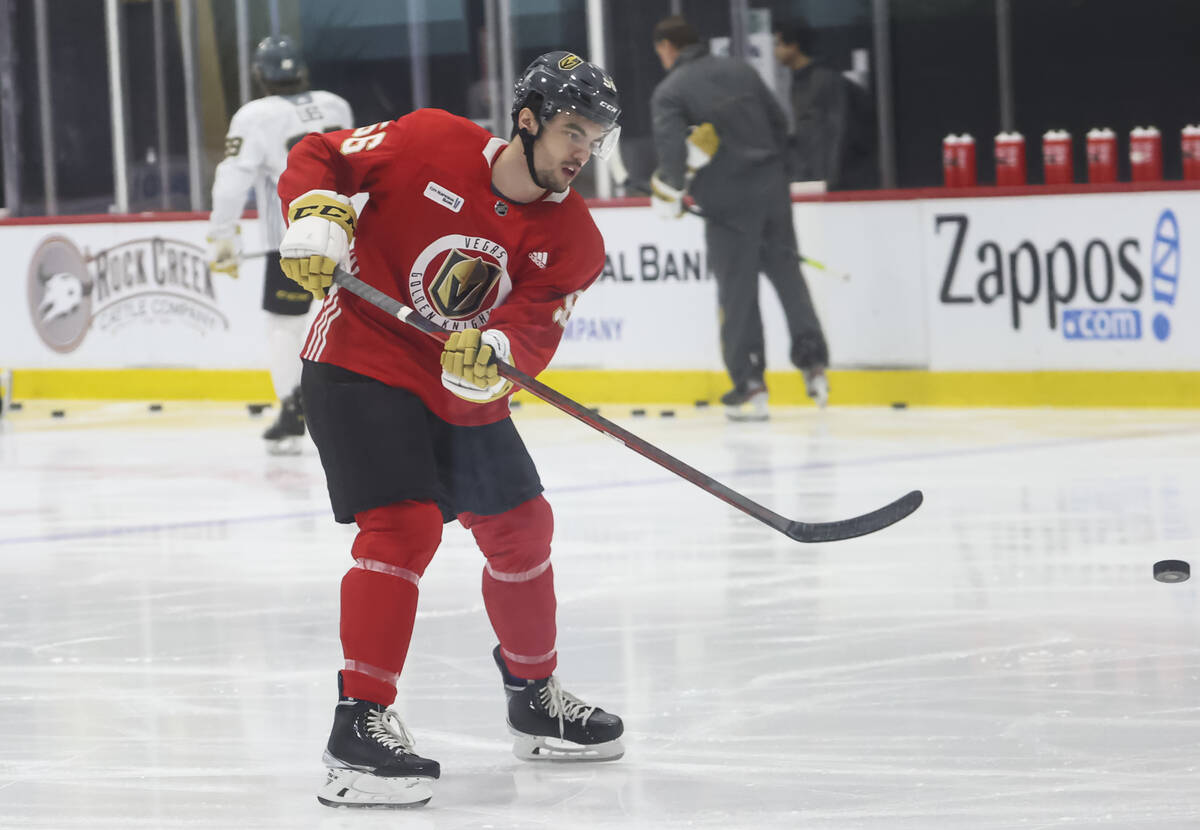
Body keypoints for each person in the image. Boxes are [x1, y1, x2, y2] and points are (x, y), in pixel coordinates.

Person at [275, 51, 625, 808]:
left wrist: (499, 350)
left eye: (593, 140)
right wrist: (316, 211)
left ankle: (534, 698)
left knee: (523, 527)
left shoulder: (575, 240)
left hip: (458, 389)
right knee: (402, 528)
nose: (581, 153)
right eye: (571, 131)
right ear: (526, 120)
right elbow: (322, 154)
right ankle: (359, 728)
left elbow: (533, 321)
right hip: (359, 360)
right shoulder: (427, 140)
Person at [649, 15, 829, 419]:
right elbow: (780, 123)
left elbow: (673, 157)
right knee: (788, 276)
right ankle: (814, 365)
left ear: (667, 47)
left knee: (738, 294)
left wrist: (673, 193)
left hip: (725, 201)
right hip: (771, 190)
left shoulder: (670, 92)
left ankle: (750, 385)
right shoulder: (741, 70)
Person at [206, 35, 353, 454]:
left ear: (259, 74)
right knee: (353, 318)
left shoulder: (255, 115)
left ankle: (293, 407)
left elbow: (231, 181)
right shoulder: (336, 104)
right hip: (349, 231)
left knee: (284, 325)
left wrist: (222, 234)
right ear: (302, 70)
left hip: (293, 238)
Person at [773, 19, 879, 191]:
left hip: (834, 181)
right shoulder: (800, 81)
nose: (775, 51)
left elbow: (837, 131)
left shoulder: (823, 80)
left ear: (793, 46)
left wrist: (829, 181)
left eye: (778, 44)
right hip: (812, 177)